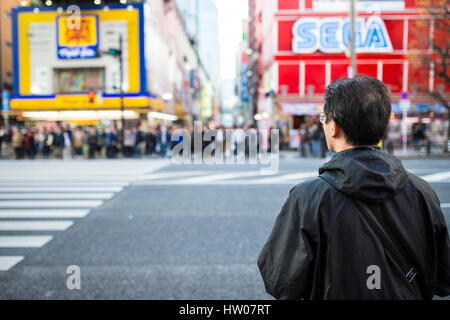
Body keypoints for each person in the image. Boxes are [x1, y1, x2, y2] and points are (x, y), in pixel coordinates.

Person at [257, 75, 449, 300]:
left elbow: (281, 281)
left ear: (333, 127)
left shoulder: (309, 197)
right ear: (383, 127)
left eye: (323, 118)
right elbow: (443, 280)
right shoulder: (422, 192)